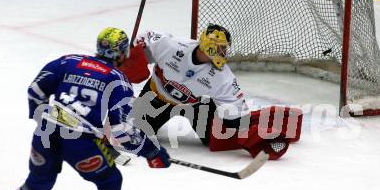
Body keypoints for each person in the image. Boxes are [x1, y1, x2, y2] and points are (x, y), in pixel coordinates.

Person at [0, 27, 170, 190]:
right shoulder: (118, 80)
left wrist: (45, 118)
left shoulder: (68, 61)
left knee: (38, 181)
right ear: (123, 52)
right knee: (110, 181)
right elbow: (122, 130)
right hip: (80, 142)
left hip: (44, 133)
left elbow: (35, 91)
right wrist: (151, 151)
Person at [119, 24, 294, 160]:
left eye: (225, 48)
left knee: (217, 139)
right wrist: (133, 55)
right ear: (208, 47)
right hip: (156, 98)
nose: (224, 53)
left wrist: (252, 132)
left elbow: (235, 115)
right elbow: (146, 38)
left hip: (195, 105)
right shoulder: (173, 47)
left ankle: (262, 119)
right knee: (131, 134)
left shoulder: (223, 77)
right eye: (220, 48)